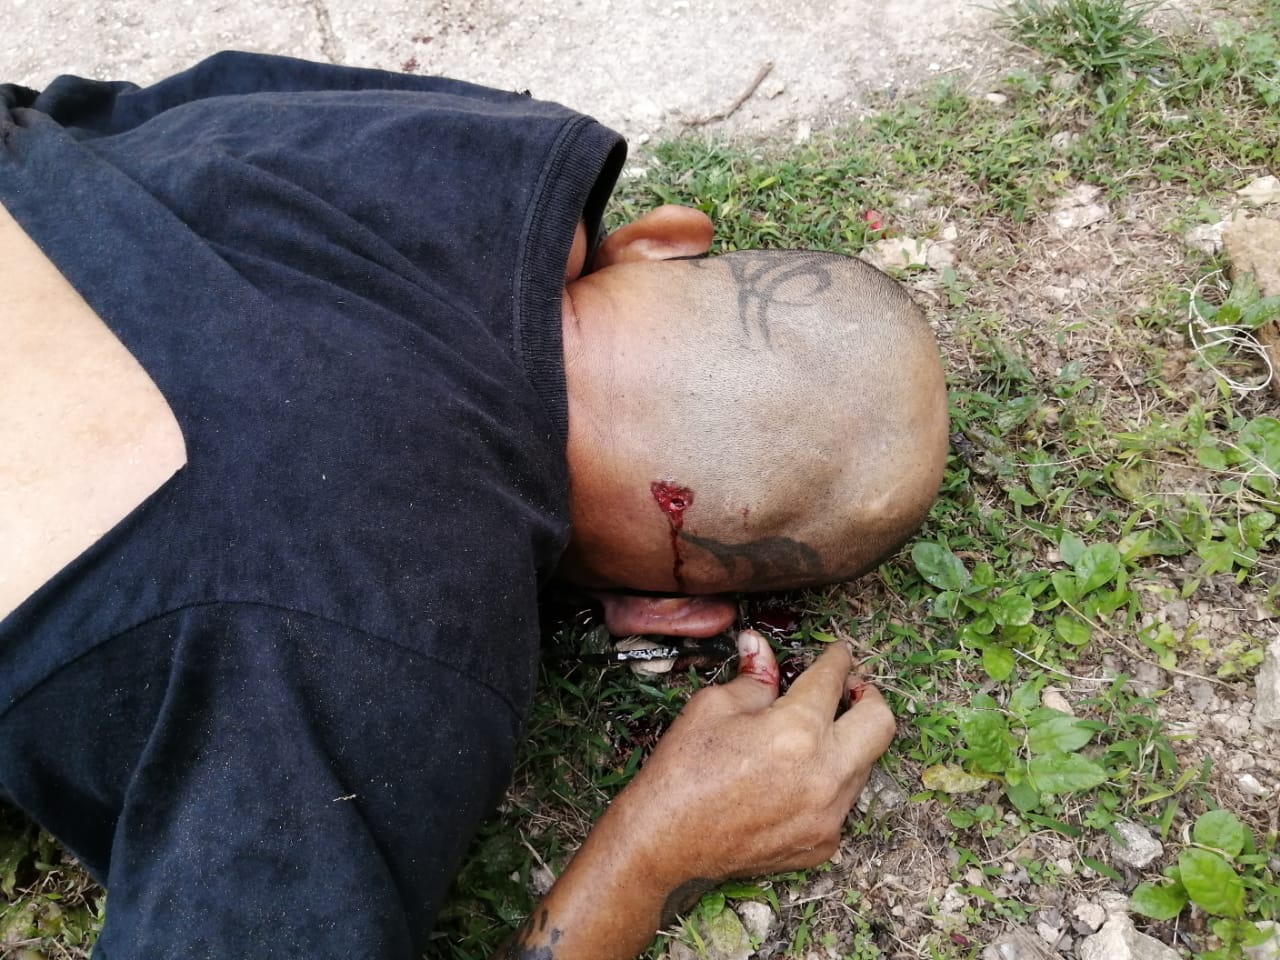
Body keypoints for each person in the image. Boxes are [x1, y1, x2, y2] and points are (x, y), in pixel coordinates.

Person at [0, 52, 948, 960]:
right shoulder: (387, 638)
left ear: (661, 238)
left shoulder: (487, 147)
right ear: (673, 609)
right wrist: (654, 853)